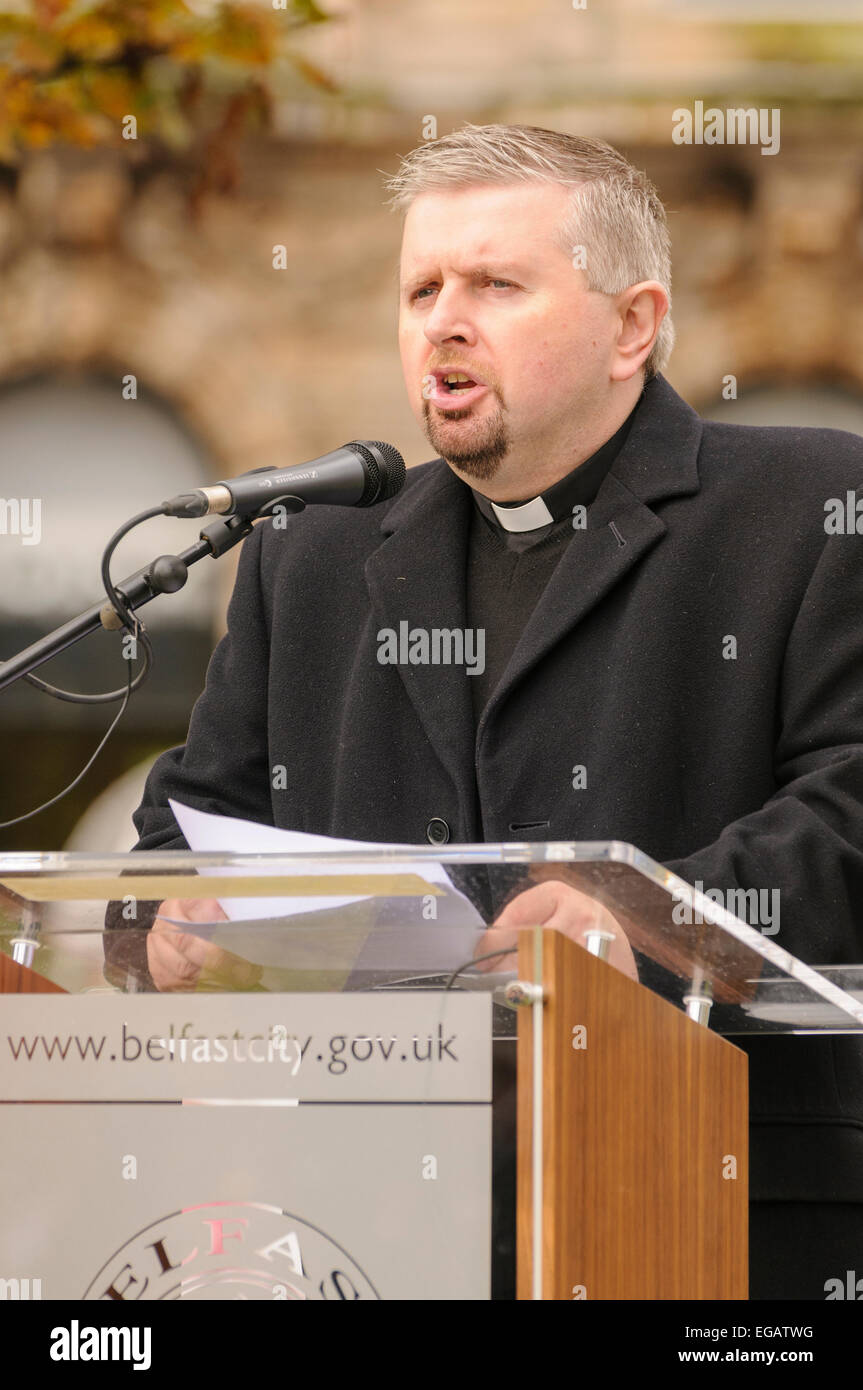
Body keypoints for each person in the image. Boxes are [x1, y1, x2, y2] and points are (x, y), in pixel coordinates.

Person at [106, 124, 863, 1300]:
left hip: (703, 1216)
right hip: (367, 1232)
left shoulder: (808, 506)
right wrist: (160, 920)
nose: (442, 320)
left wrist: (634, 919)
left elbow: (846, 815)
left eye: (495, 284)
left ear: (632, 323)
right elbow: (191, 818)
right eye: (420, 288)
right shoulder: (309, 556)